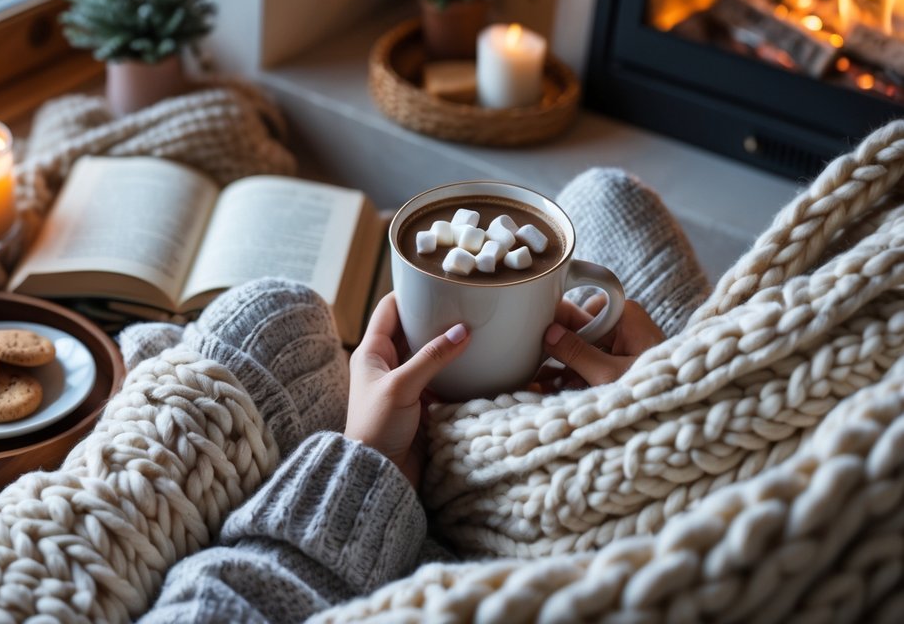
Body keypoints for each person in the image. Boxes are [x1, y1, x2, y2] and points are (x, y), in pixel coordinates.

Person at [130, 168, 709, 622]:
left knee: (265, 322)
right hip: (505, 537)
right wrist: (652, 407)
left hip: (368, 506)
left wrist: (370, 461)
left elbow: (235, 597)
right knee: (607, 194)